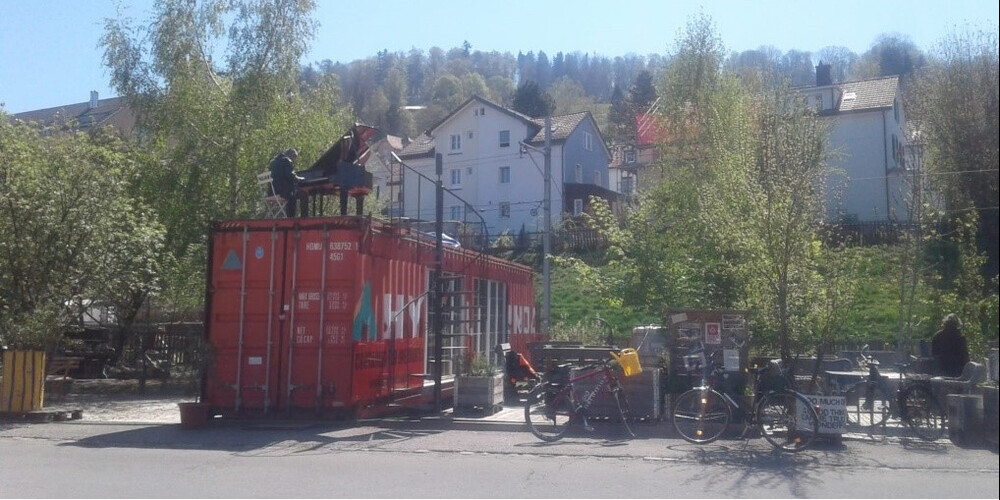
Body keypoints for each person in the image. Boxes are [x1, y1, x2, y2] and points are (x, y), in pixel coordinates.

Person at [931, 313, 969, 377]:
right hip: (955, 370)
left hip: (941, 369)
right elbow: (964, 356)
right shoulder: (959, 337)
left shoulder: (937, 335)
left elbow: (934, 354)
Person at [269, 148, 303, 217]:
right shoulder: (287, 160)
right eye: (295, 158)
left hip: (271, 192)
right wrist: (298, 179)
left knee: (292, 194)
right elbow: (289, 174)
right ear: (291, 155)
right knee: (294, 196)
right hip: (281, 192)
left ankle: (288, 217)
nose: (294, 161)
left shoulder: (274, 162)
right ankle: (291, 218)